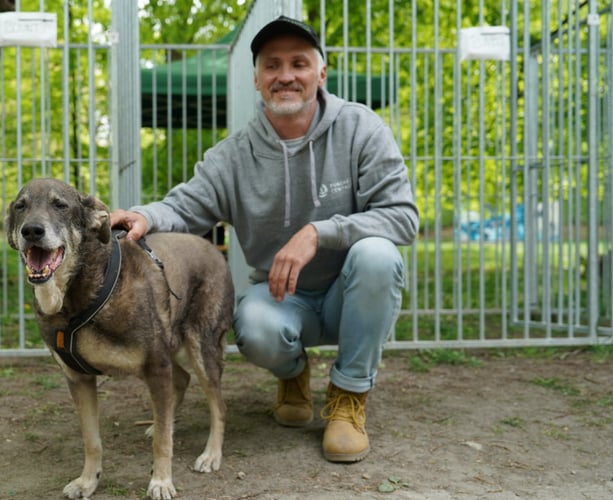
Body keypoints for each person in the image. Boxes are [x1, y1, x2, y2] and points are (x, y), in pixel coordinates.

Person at [111, 16, 419, 463]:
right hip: (283, 299)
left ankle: (349, 397)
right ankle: (292, 374)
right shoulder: (233, 156)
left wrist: (320, 231)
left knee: (377, 255)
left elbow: (403, 218)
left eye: (299, 62)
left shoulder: (361, 129)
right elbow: (183, 207)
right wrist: (141, 216)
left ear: (321, 73)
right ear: (257, 79)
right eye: (272, 65)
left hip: (350, 297)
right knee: (252, 326)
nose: (286, 75)